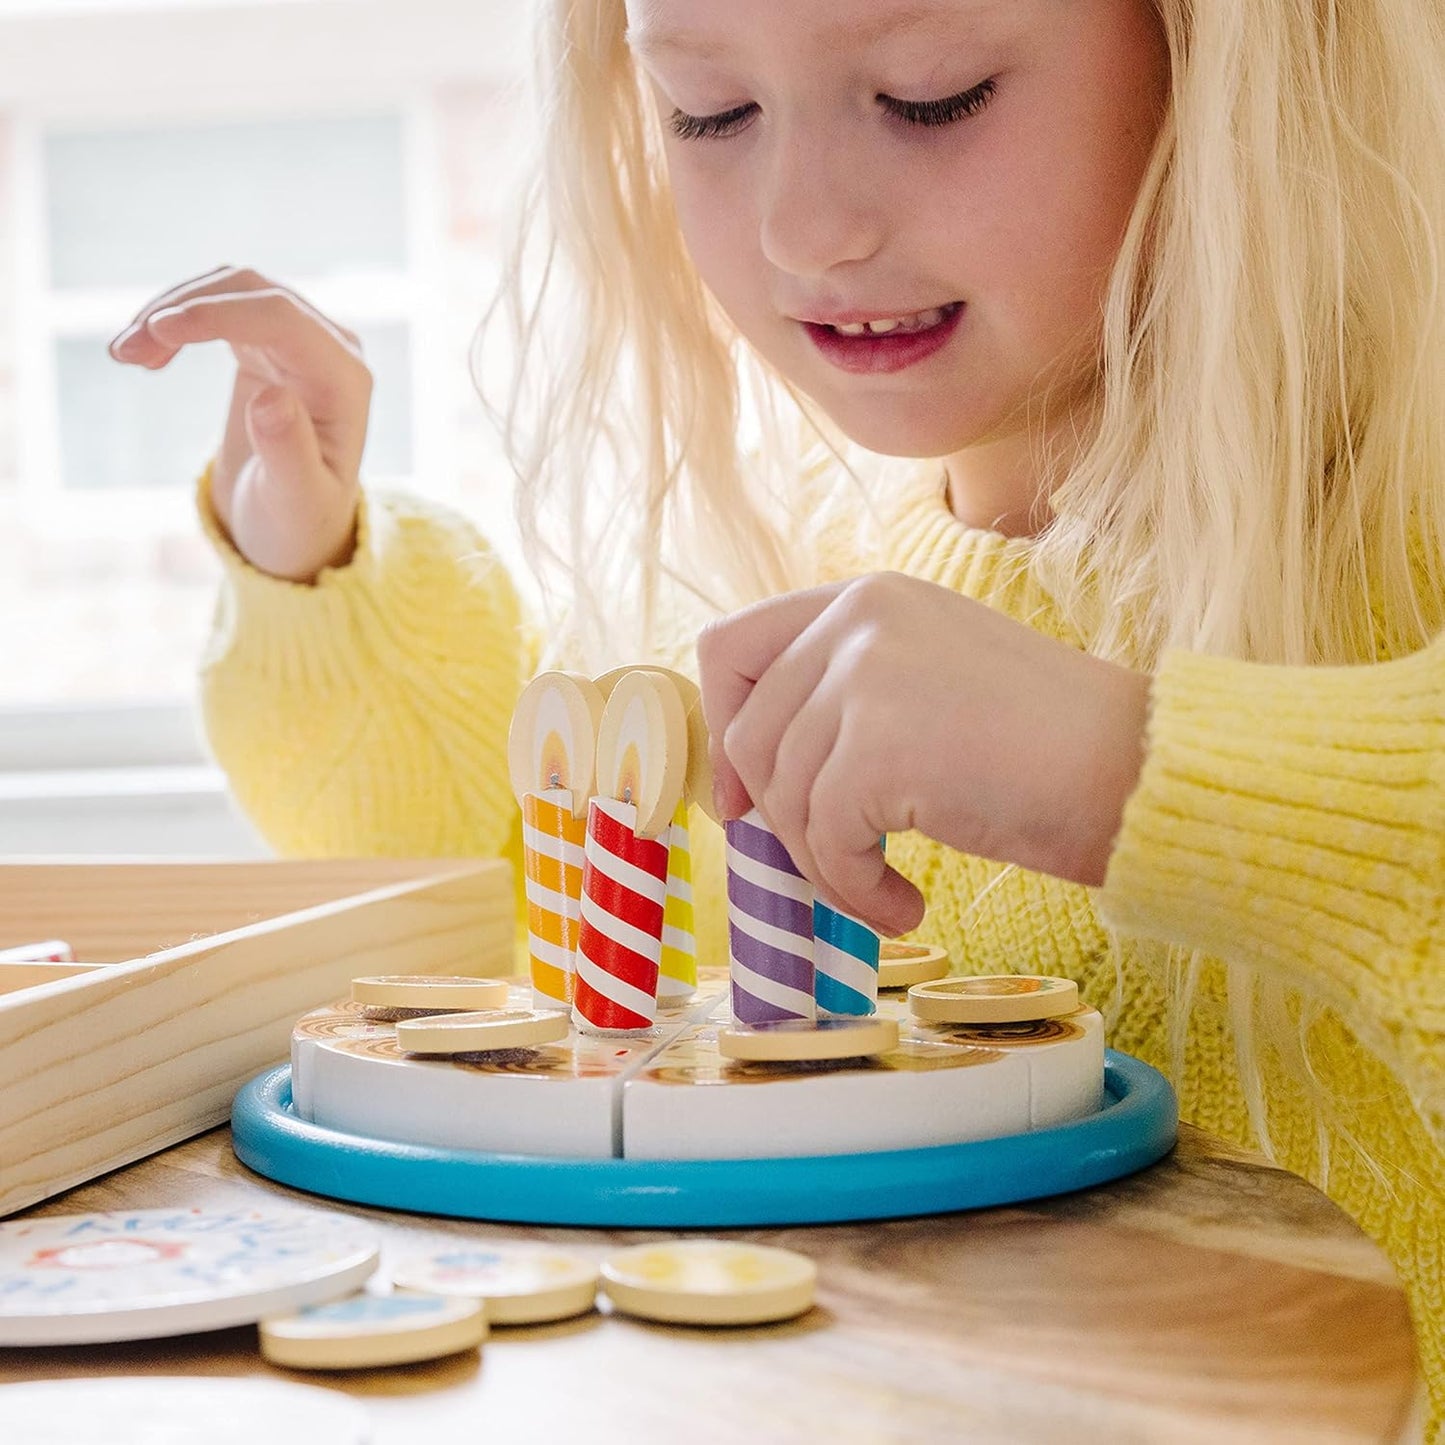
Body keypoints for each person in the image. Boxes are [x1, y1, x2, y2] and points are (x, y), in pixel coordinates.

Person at [110, 0, 1445, 1432]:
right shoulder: (802, 560)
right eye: (707, 112)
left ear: (1213, 49)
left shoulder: (1401, 543)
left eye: (934, 96)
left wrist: (1134, 770)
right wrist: (322, 569)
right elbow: (557, 949)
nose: (806, 229)